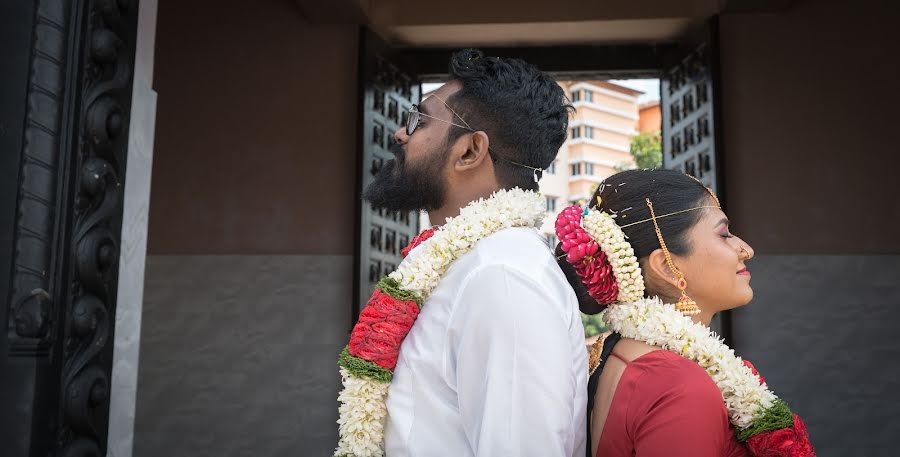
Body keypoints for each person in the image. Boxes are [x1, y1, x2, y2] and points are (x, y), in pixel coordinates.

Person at [334, 49, 586, 457]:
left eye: (419, 119)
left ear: (470, 151)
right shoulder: (471, 263)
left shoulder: (502, 276)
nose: (401, 133)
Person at [555, 168, 815, 457]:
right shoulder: (681, 387)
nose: (746, 249)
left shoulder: (616, 352)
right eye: (725, 234)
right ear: (668, 267)